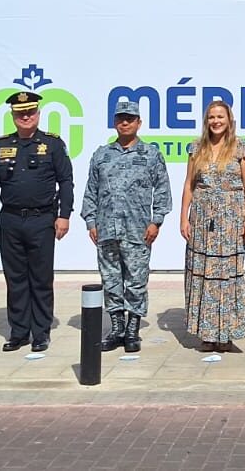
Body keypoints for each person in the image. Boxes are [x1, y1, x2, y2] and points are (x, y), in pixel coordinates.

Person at [0, 91, 74, 353]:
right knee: (16, 279)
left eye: (30, 112)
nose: (25, 117)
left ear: (38, 114)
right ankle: (19, 331)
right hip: (10, 219)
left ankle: (41, 332)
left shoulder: (52, 144)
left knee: (41, 279)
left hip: (42, 219)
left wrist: (64, 215)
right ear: (12, 116)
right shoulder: (1, 146)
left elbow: (65, 181)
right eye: (20, 113)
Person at [83, 100, 172, 354]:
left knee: (135, 281)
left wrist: (156, 221)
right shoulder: (101, 154)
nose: (125, 123)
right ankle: (117, 328)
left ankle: (133, 330)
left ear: (139, 123)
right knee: (111, 280)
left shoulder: (151, 154)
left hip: (138, 230)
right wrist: (91, 221)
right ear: (114, 123)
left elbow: (163, 190)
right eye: (121, 119)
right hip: (106, 229)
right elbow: (91, 191)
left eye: (130, 119)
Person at [179, 100, 245, 353]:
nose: (216, 121)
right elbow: (189, 184)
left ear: (229, 119)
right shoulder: (196, 148)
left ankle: (226, 334)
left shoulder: (241, 147)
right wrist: (183, 217)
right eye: (211, 117)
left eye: (220, 116)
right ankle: (207, 334)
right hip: (201, 220)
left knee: (226, 276)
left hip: (231, 220)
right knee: (202, 274)